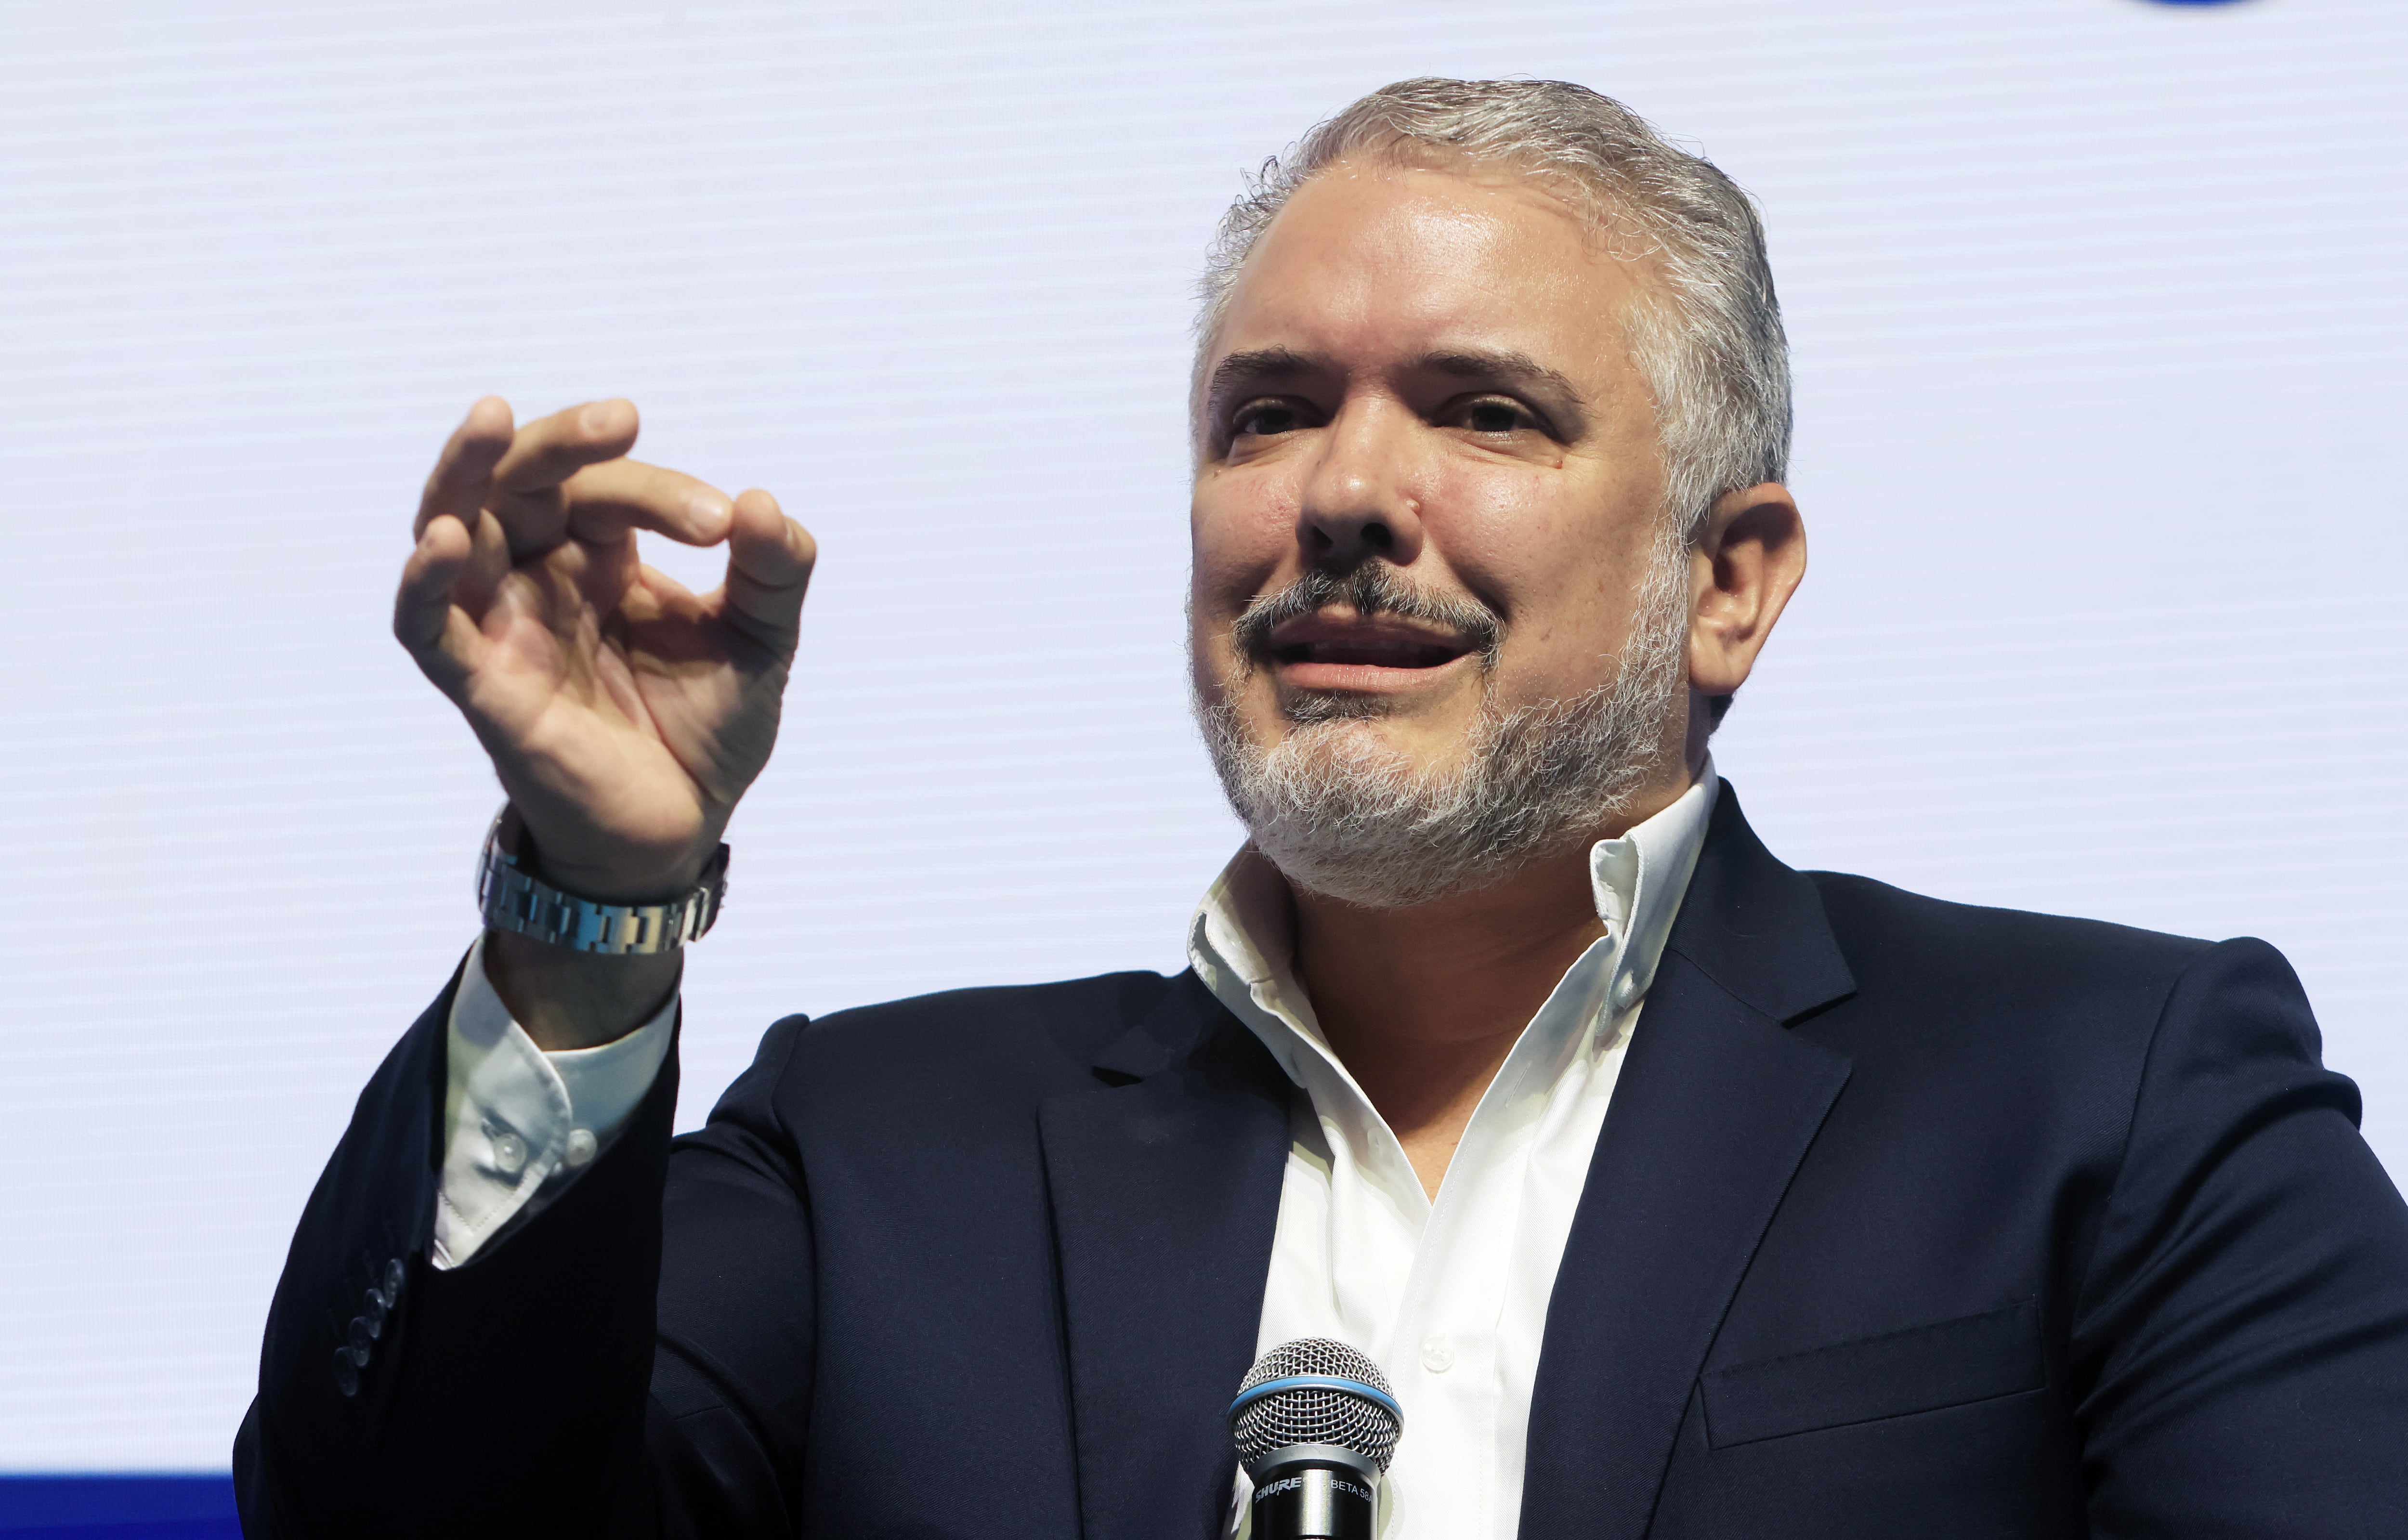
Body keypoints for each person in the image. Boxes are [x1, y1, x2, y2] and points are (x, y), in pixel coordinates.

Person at [235, 78, 2408, 1539]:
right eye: (1268, 412)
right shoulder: (877, 1148)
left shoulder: (2107, 1098)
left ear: (1725, 581)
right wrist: (598, 891)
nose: (1343, 496)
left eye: (1479, 411)